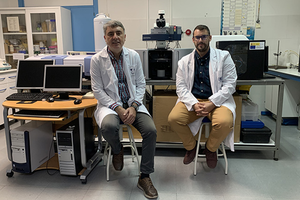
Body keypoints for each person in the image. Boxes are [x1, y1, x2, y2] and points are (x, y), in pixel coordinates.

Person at [90, 20, 158, 199]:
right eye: (111, 34)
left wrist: (134, 106)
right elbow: (97, 90)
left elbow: (141, 84)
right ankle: (117, 149)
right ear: (105, 38)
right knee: (109, 127)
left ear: (124, 36)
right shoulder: (97, 60)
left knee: (150, 131)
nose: (115, 37)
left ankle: (145, 176)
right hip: (110, 106)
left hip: (133, 104)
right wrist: (118, 109)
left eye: (118, 33)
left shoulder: (133, 55)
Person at [168, 24, 237, 168]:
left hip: (218, 101)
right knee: (174, 119)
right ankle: (191, 146)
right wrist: (193, 104)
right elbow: (180, 88)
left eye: (204, 36)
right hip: (193, 100)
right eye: (198, 37)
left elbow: (230, 85)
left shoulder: (224, 57)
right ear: (193, 40)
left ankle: (210, 149)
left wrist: (212, 103)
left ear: (210, 38)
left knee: (225, 122)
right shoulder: (184, 62)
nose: (201, 40)